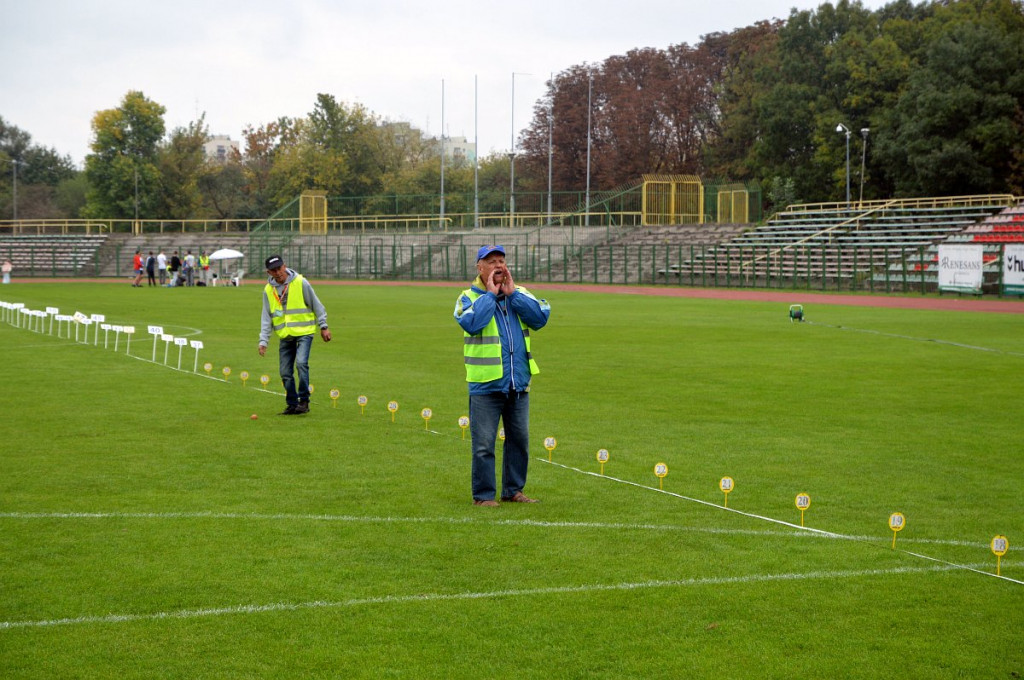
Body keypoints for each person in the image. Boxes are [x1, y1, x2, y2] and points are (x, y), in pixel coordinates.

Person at [454, 245, 551, 507]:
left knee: (519, 441)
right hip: (486, 384)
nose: (498, 265)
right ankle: (484, 496)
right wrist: (490, 296)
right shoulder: (468, 297)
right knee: (484, 444)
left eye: (501, 261)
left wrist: (513, 295)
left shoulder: (519, 293)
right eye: (491, 261)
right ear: (480, 267)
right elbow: (472, 323)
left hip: (518, 383)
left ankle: (513, 491)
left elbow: (541, 317)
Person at [258, 255, 331, 415]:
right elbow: (266, 316)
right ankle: (292, 404)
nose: (278, 273)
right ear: (268, 272)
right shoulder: (268, 290)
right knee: (285, 372)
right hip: (285, 335)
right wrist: (263, 341)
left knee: (301, 364)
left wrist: (323, 326)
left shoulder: (300, 282)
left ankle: (304, 401)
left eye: (279, 268)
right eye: (273, 270)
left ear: (285, 266)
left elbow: (317, 305)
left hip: (305, 332)